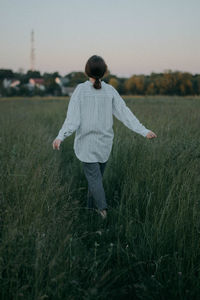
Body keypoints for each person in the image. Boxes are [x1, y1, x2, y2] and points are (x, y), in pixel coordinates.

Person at [52, 55, 157, 219]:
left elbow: (72, 119)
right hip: (104, 144)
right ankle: (90, 213)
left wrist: (60, 136)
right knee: (95, 180)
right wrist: (143, 131)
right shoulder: (109, 90)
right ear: (104, 72)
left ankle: (102, 211)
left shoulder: (81, 90)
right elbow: (125, 114)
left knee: (95, 181)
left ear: (86, 70)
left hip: (88, 144)